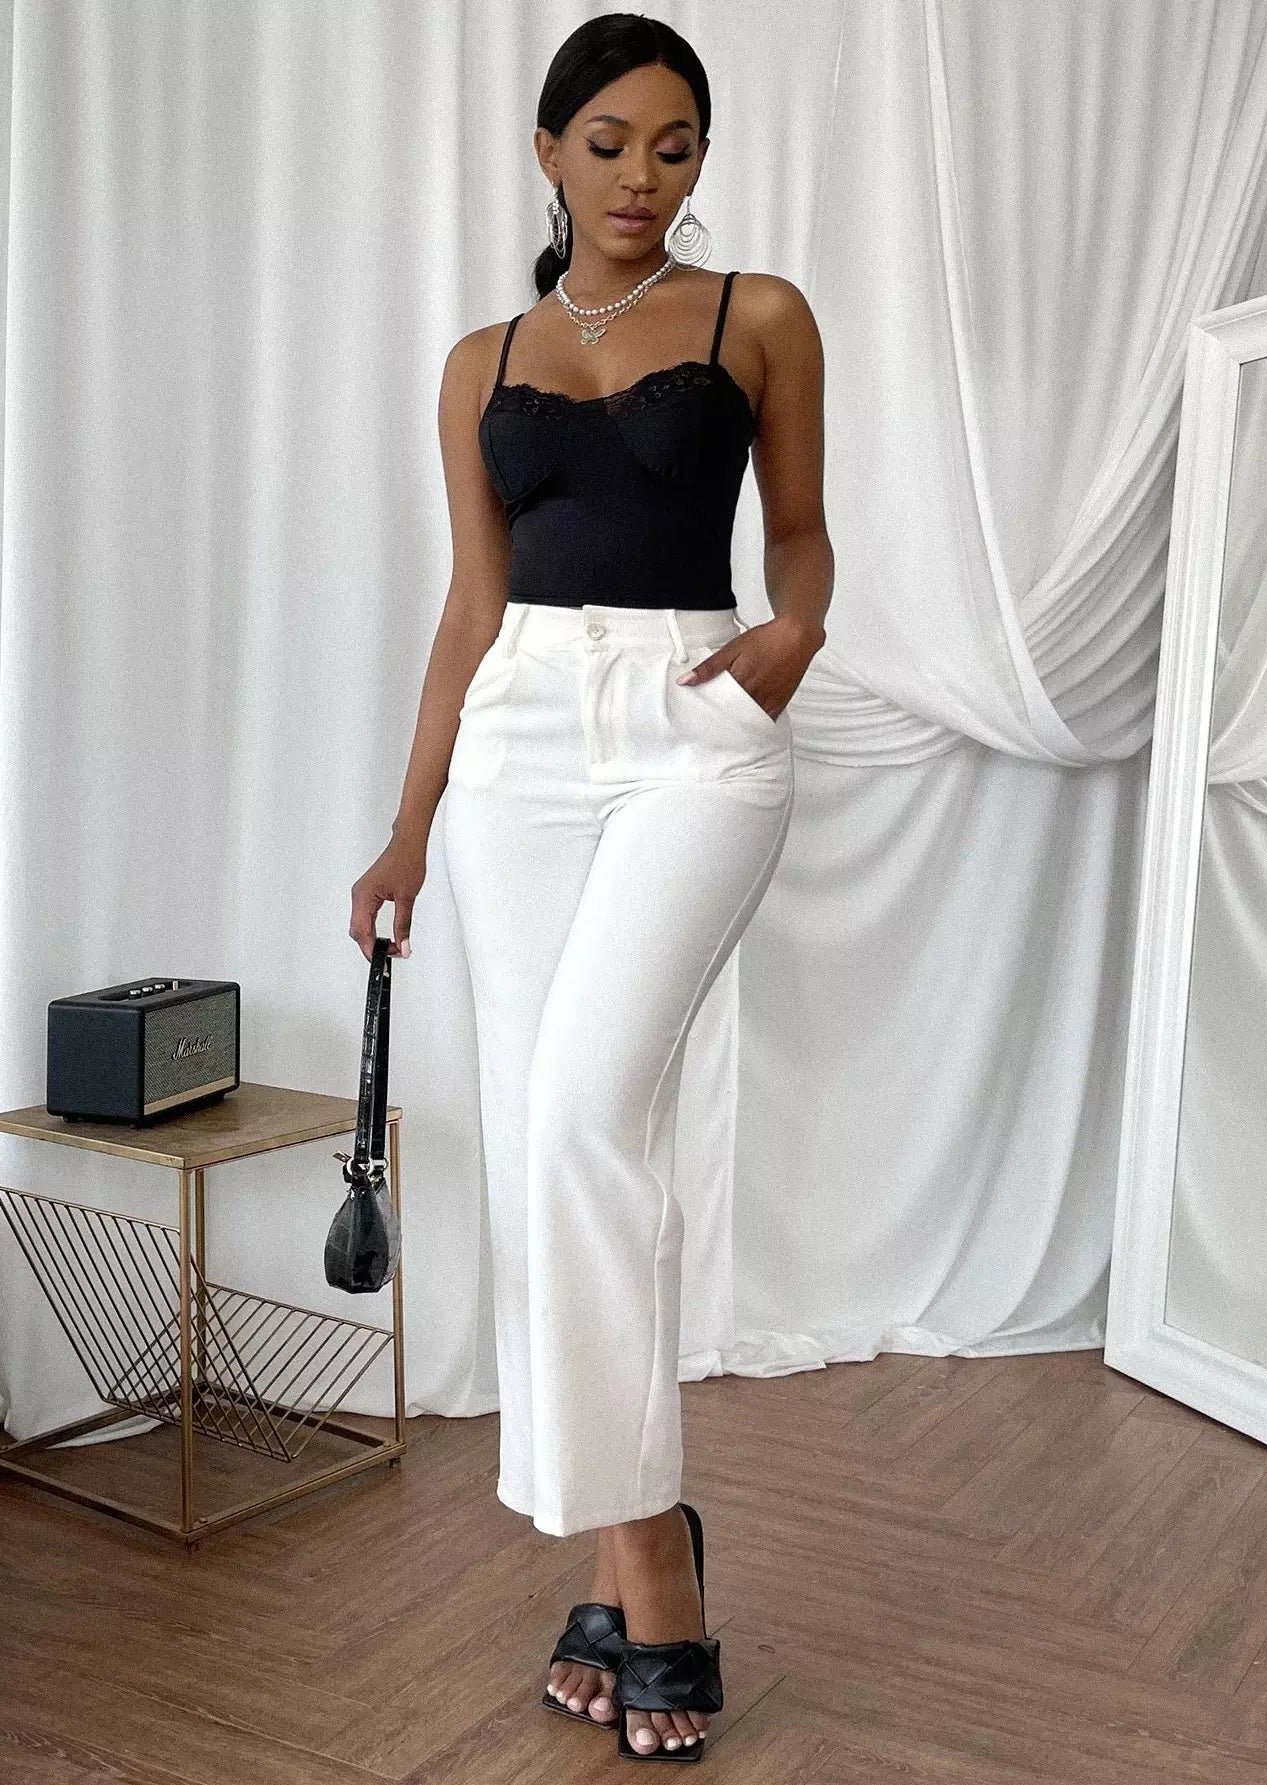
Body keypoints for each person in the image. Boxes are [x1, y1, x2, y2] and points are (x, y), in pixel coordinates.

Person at [350, 11, 831, 1764]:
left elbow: (800, 530)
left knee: (578, 1116)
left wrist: (796, 632)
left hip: (695, 727)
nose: (643, 176)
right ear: (548, 150)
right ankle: (636, 1563)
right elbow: (470, 607)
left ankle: (658, 1588)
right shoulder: (480, 360)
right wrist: (407, 829)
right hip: (520, 746)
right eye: (611, 142)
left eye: (676, 146)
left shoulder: (757, 315)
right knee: (554, 1142)